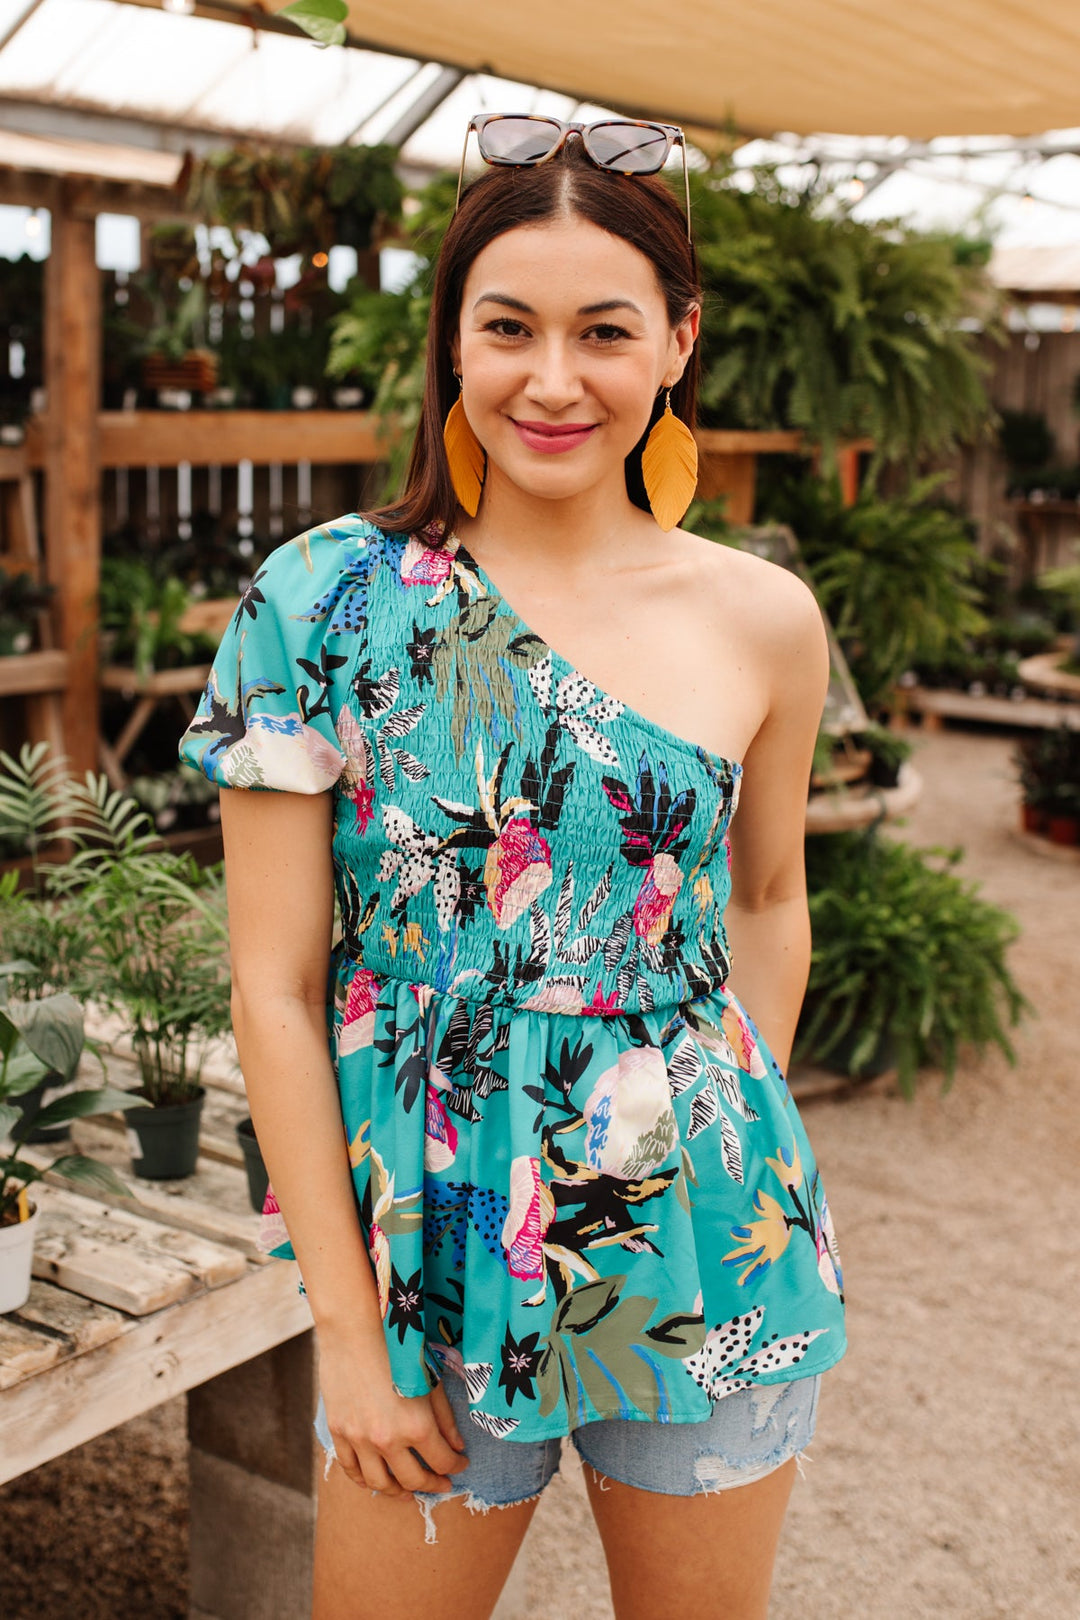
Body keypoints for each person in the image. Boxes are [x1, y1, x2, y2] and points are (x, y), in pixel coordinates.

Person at [179, 114, 846, 1620]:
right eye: (508, 328)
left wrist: (707, 1134)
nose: (553, 380)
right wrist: (346, 1331)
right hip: (427, 1251)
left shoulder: (764, 618)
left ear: (677, 341)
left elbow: (767, 901)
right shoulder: (320, 602)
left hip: (703, 1240)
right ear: (453, 343)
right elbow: (273, 988)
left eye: (604, 330)